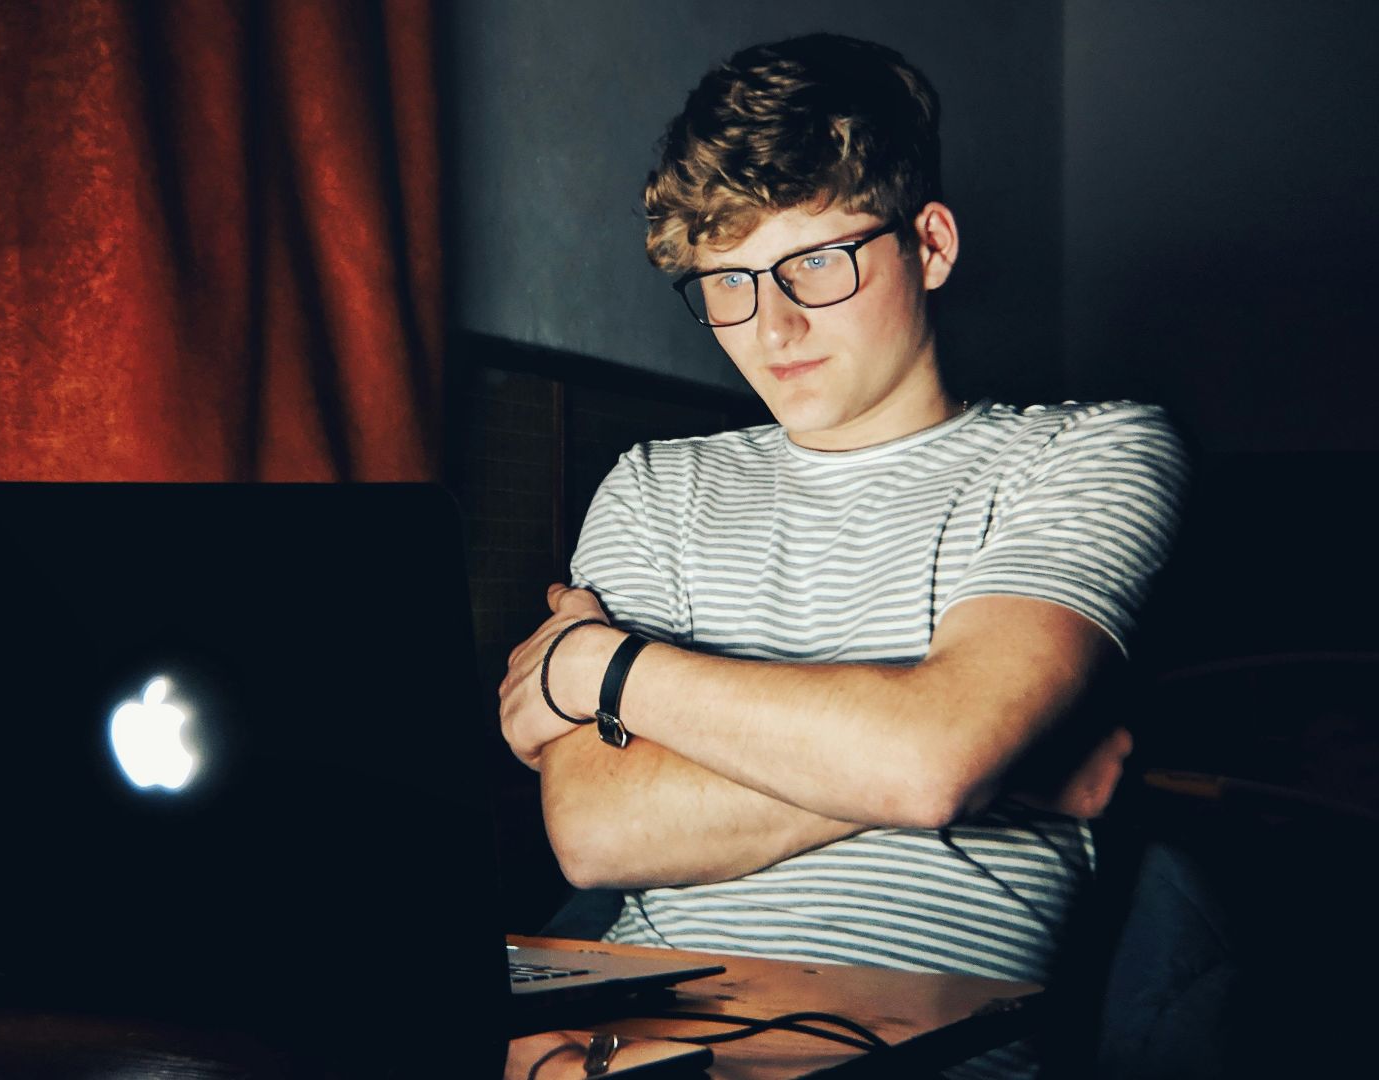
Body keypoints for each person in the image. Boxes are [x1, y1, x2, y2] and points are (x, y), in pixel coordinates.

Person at [496, 31, 1186, 1078]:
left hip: (926, 1050)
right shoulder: (653, 483)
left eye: (816, 260)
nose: (771, 326)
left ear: (932, 245)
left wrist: (602, 669)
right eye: (727, 281)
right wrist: (1001, 767)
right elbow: (596, 829)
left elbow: (932, 759)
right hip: (631, 1042)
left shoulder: (1087, 452)